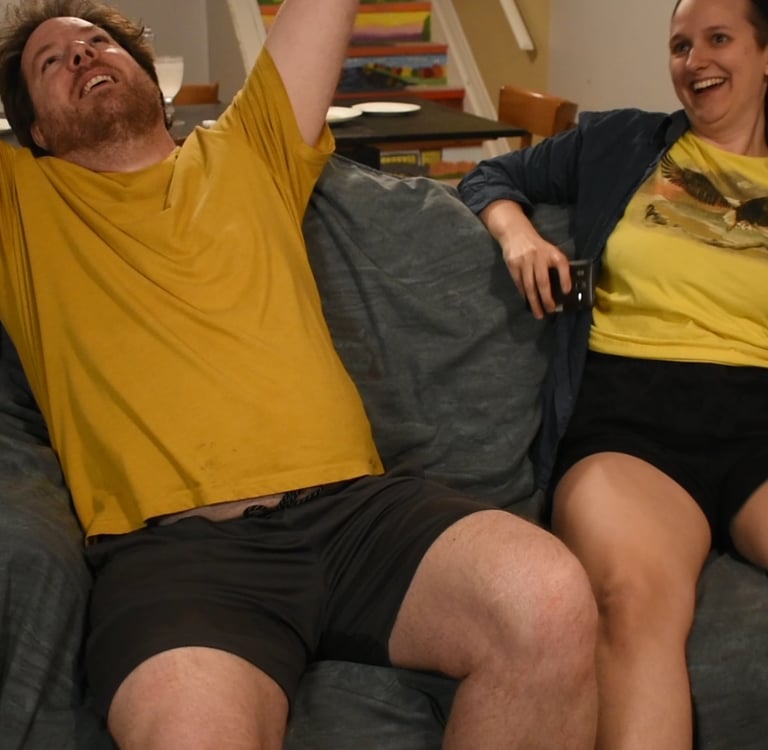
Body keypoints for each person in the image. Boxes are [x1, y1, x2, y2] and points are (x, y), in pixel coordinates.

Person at [0, 1, 599, 748]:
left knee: (549, 599)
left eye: (97, 43)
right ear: (35, 130)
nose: (83, 56)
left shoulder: (250, 146)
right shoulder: (19, 202)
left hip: (354, 513)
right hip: (179, 556)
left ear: (150, 77)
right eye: (51, 62)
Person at [458, 0, 768, 748]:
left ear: (766, 55)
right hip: (632, 424)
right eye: (680, 45)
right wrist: (518, 236)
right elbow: (490, 176)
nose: (695, 60)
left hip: (759, 418)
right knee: (632, 601)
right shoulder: (620, 141)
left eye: (718, 39)